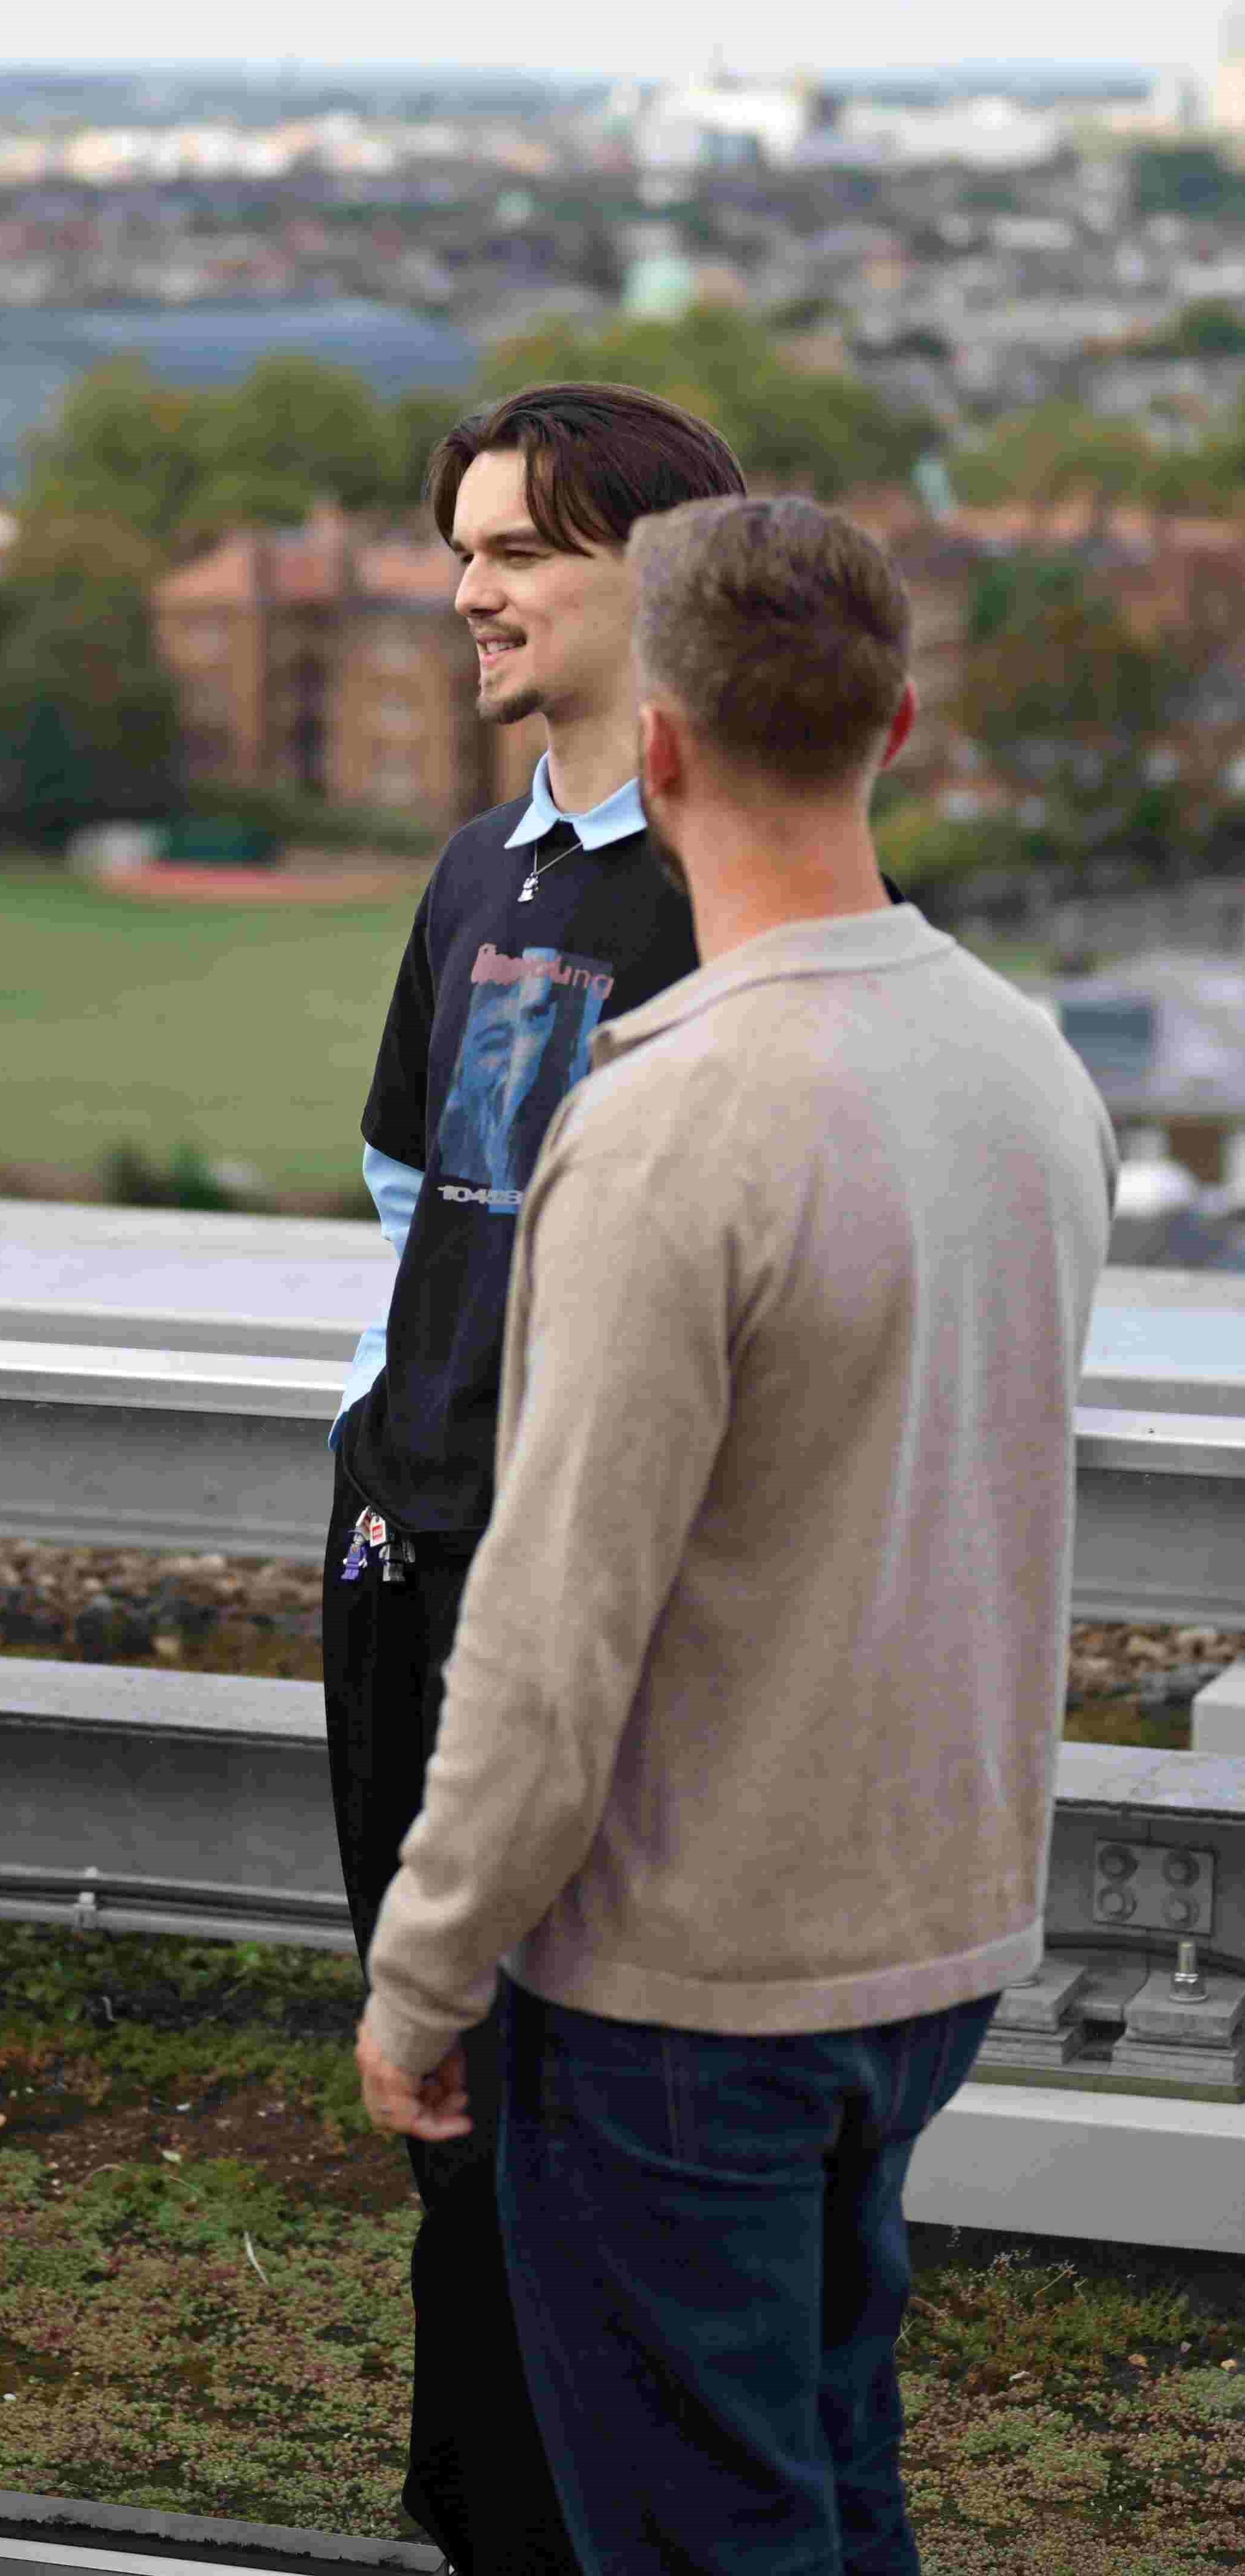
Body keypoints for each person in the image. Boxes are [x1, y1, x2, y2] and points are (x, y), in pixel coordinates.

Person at [355, 498, 1116, 2574]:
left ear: (662, 749)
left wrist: (424, 1974)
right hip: (930, 1937)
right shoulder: (1030, 1070)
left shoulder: (676, 1113)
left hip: (692, 1982)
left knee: (705, 2529)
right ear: (896, 721)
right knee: (831, 2476)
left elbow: (548, 1627)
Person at [325, 380, 747, 2573]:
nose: (468, 588)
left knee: (603, 2154)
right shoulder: (484, 865)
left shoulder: (731, 887)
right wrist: (402, 1444)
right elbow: (418, 1184)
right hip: (412, 1564)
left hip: (603, 1614)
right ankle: (472, 2522)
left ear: (659, 576)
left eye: (519, 552)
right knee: (451, 2133)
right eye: (462, 545)